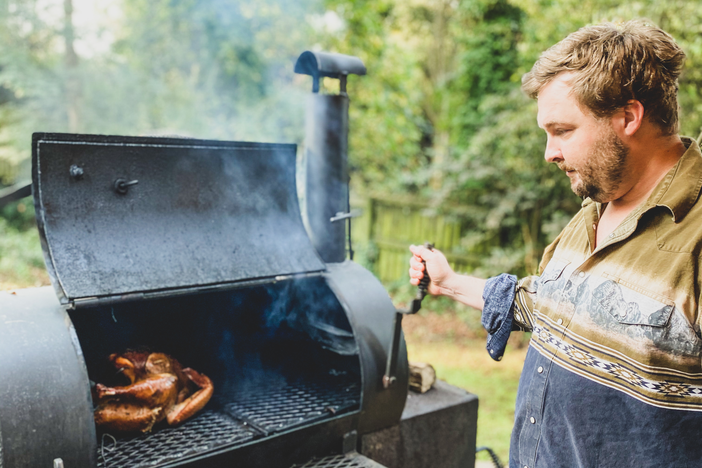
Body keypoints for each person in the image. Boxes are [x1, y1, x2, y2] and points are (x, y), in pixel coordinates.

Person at [409, 20, 702, 468]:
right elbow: (546, 305)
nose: (549, 152)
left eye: (562, 130)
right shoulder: (596, 206)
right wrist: (448, 283)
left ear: (628, 116)